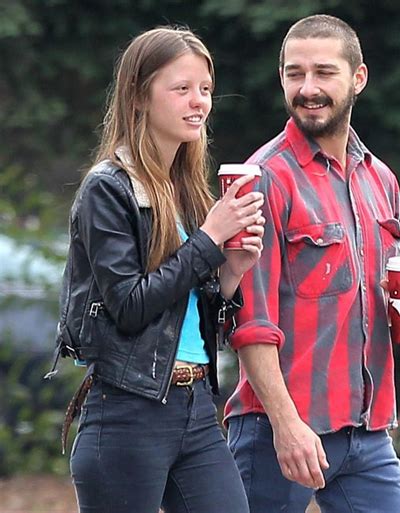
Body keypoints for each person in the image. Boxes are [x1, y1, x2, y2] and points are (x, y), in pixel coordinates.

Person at [224, 14, 400, 513]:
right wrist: (285, 424)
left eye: (324, 73)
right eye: (295, 74)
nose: (308, 88)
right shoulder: (265, 181)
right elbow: (250, 322)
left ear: (357, 78)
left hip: (367, 434)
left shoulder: (380, 179)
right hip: (276, 432)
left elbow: (366, 298)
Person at [51, 26, 265, 513]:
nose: (199, 102)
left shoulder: (187, 190)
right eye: (182, 88)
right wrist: (209, 241)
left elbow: (190, 310)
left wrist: (231, 269)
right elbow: (128, 306)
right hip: (127, 411)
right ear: (139, 96)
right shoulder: (108, 189)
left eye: (206, 90)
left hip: (195, 410)